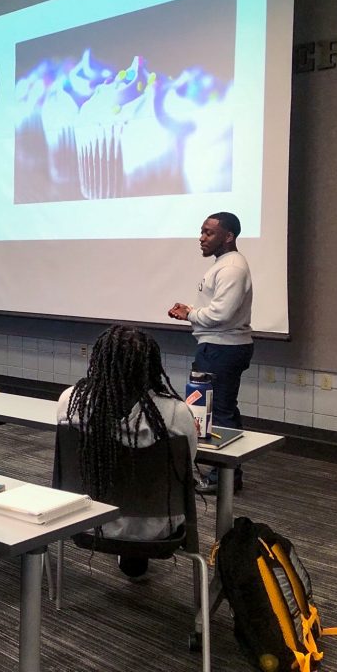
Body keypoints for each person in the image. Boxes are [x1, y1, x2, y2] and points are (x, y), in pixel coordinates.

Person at [58, 325, 197, 581]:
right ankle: (134, 556)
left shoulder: (70, 402)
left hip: (86, 518)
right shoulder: (176, 413)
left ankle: (128, 555)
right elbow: (186, 468)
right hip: (157, 526)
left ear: (98, 361)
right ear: (151, 366)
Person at [167, 211, 252, 492]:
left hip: (222, 348)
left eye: (209, 233)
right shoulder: (223, 264)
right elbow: (216, 310)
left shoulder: (231, 268)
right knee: (219, 409)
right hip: (217, 346)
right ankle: (228, 475)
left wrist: (191, 314)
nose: (201, 238)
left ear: (228, 236)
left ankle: (223, 478)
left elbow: (222, 314)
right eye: (202, 231)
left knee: (219, 412)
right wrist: (191, 312)